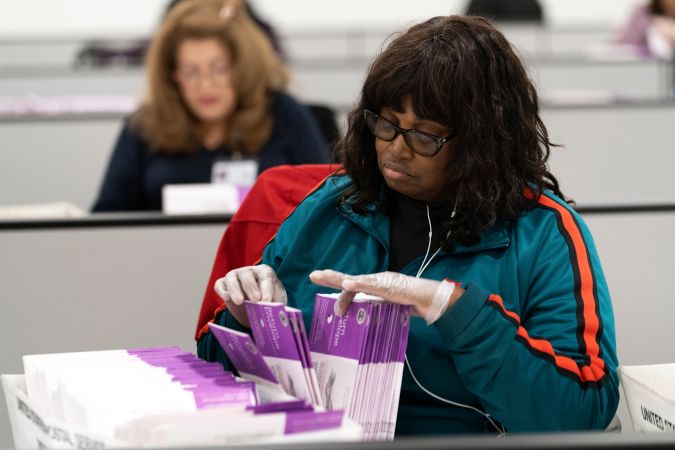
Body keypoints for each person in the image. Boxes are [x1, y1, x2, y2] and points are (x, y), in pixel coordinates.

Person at [199, 15, 619, 435]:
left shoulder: (543, 233)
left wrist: (456, 312)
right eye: (386, 123)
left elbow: (583, 411)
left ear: (481, 144)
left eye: (424, 136)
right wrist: (242, 321)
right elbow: (217, 374)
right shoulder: (331, 205)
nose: (396, 150)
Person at [92, 0, 328, 212]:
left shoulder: (282, 112)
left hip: (269, 258)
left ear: (242, 68)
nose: (205, 85)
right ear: (172, 75)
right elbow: (107, 221)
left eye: (219, 69)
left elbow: (324, 205)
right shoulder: (144, 125)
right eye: (191, 72)